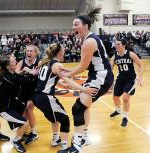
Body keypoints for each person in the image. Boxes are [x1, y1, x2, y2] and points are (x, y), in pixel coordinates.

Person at [60, 7, 114, 153]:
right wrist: (69, 71)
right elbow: (85, 65)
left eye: (76, 24)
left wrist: (68, 75)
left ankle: (77, 146)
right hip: (98, 75)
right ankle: (84, 137)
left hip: (100, 77)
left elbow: (83, 66)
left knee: (77, 108)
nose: (73, 27)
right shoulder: (89, 38)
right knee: (84, 107)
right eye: (73, 24)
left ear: (85, 26)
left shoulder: (88, 42)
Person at [32, 43, 97, 153]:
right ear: (59, 52)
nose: (65, 51)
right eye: (63, 50)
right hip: (46, 98)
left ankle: (55, 139)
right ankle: (64, 147)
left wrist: (63, 85)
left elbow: (49, 79)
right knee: (65, 120)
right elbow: (68, 80)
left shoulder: (45, 62)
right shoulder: (57, 65)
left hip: (37, 97)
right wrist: (84, 89)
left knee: (56, 118)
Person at [0, 53, 37, 153]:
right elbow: (23, 81)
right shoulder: (9, 78)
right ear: (8, 66)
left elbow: (18, 77)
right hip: (4, 109)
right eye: (13, 60)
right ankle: (16, 140)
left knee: (23, 117)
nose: (16, 61)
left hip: (11, 105)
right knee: (25, 123)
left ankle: (21, 134)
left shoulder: (11, 74)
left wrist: (24, 71)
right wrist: (30, 73)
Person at [109, 39, 143, 127]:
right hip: (120, 78)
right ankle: (117, 110)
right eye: (115, 44)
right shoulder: (114, 56)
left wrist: (140, 77)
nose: (116, 45)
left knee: (125, 98)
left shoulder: (130, 54)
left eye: (118, 44)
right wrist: (108, 80)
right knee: (115, 97)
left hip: (131, 79)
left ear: (123, 45)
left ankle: (125, 118)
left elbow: (141, 65)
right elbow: (109, 69)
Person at [15, 44, 40, 145]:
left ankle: (34, 132)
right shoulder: (21, 62)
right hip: (22, 90)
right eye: (27, 51)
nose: (28, 53)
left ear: (35, 53)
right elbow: (15, 73)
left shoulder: (39, 63)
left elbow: (42, 74)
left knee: (29, 109)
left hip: (33, 90)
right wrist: (23, 71)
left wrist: (35, 73)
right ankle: (25, 131)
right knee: (23, 111)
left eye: (31, 51)